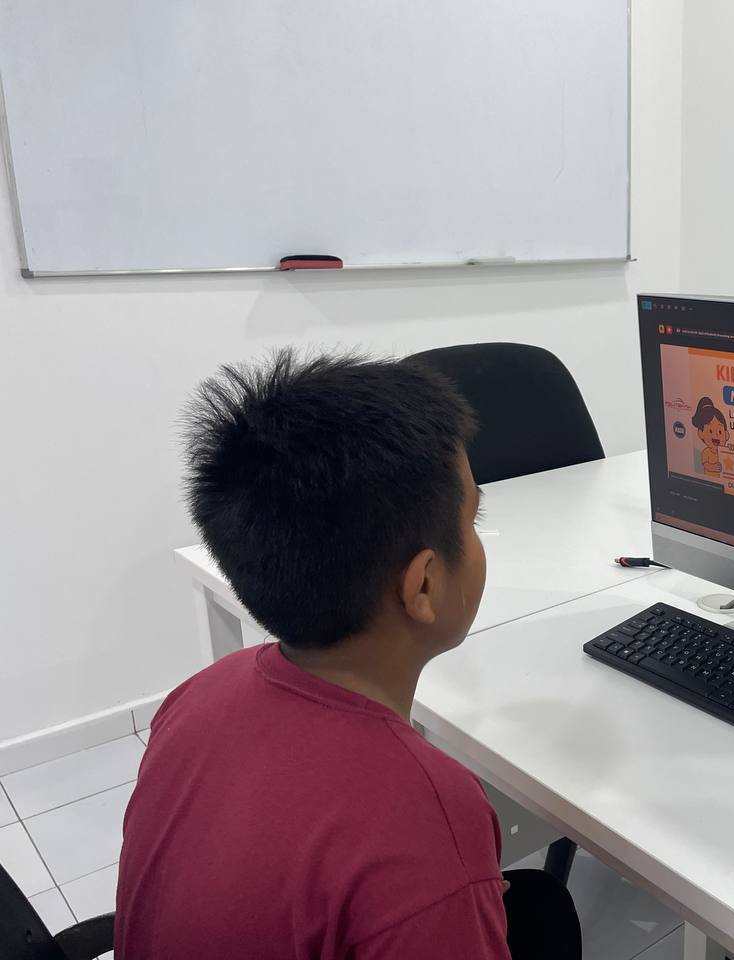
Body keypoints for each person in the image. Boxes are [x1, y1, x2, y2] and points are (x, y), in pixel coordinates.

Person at [116, 350, 581, 960]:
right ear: (423, 586)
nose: (477, 536)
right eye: (474, 519)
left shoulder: (198, 695)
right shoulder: (423, 814)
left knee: (537, 909)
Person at [691, 395, 728, 476]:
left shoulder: (723, 452)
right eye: (710, 431)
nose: (716, 435)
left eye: (720, 432)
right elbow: (705, 465)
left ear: (726, 434)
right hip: (709, 479)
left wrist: (731, 449)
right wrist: (712, 467)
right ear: (701, 433)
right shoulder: (706, 452)